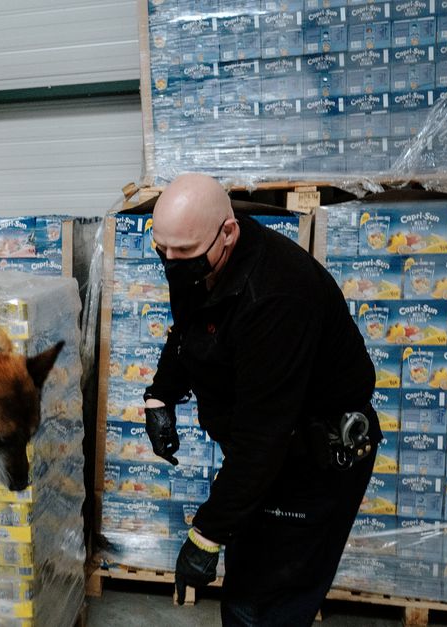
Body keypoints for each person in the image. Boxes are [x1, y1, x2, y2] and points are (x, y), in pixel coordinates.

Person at [142, 173, 380, 626]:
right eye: (161, 250)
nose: (171, 264)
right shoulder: (197, 259)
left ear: (227, 232)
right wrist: (161, 395)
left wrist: (206, 536)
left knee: (268, 604)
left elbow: (263, 437)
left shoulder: (277, 297)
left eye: (183, 253)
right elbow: (187, 329)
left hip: (314, 461)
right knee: (248, 583)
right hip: (268, 452)